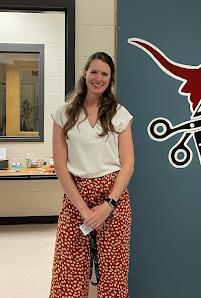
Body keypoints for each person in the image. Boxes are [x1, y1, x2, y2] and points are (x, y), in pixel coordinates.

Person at [49, 52, 135, 298]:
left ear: (111, 80)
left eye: (105, 74)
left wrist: (108, 205)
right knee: (68, 270)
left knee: (114, 273)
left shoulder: (120, 114)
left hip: (113, 198)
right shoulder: (63, 113)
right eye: (94, 71)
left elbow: (127, 165)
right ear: (85, 74)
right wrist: (84, 211)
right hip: (76, 197)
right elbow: (61, 166)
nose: (98, 78)